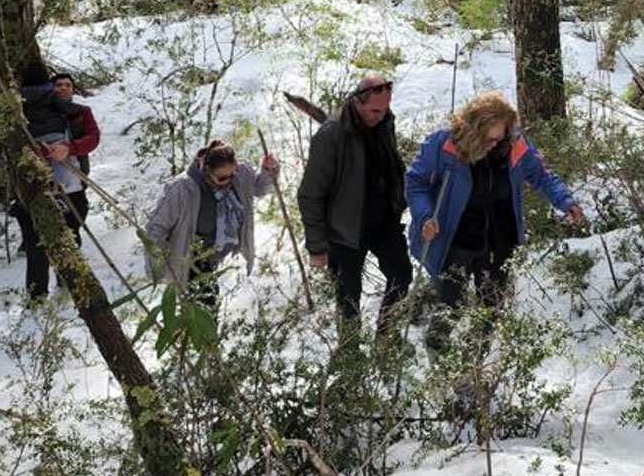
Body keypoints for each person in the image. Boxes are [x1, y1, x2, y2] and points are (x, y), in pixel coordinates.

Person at [406, 91, 585, 351]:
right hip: (453, 240)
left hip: (499, 240)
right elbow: (415, 182)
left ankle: (473, 371)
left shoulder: (514, 143)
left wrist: (566, 202)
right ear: (473, 131)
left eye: (500, 137)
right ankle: (440, 364)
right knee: (449, 310)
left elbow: (542, 175)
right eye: (490, 139)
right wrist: (425, 216)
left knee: (491, 310)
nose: (496, 143)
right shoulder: (444, 144)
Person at [297, 75, 412, 336]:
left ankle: (385, 336)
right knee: (348, 301)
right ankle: (351, 358)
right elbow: (310, 194)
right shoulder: (332, 135)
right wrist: (316, 245)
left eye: (385, 110)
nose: (381, 116)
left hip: (383, 221)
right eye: (375, 110)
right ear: (357, 102)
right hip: (345, 231)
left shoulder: (385, 122)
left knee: (402, 276)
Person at [145, 140, 278, 306]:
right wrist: (158, 267)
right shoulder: (182, 189)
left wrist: (268, 170)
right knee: (205, 308)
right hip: (192, 259)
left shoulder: (240, 174)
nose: (229, 180)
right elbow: (155, 229)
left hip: (214, 259)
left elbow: (259, 188)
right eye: (223, 178)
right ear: (207, 171)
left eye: (233, 174)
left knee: (207, 306)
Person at [13, 64, 86, 300]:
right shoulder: (52, 98)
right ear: (49, 84)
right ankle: (67, 284)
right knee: (53, 232)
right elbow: (68, 109)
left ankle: (38, 295)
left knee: (52, 234)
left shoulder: (18, 100)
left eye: (68, 85)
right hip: (55, 148)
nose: (62, 88)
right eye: (59, 84)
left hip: (34, 147)